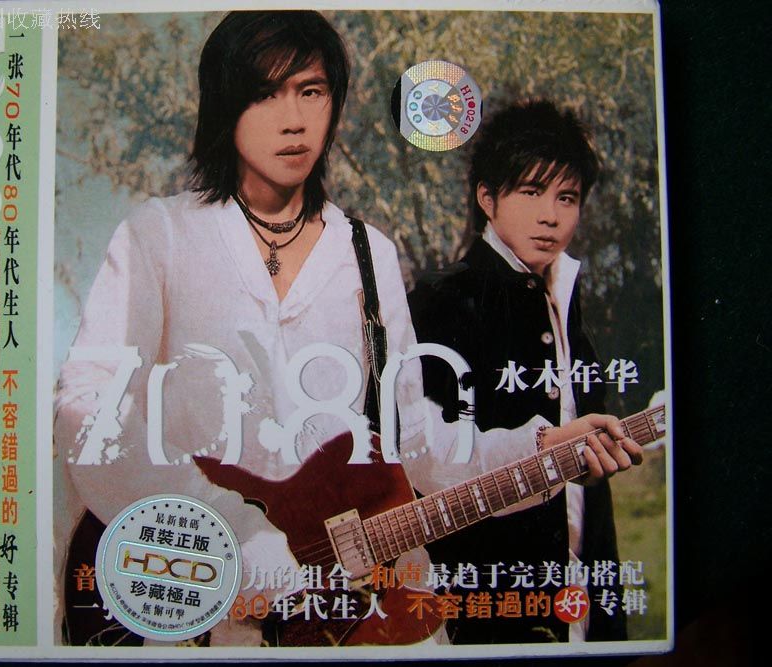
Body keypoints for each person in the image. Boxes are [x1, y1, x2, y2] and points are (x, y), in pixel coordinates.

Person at [54, 13, 639, 647]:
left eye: (311, 91)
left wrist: (543, 449)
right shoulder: (160, 235)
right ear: (226, 104)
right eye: (265, 93)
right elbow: (87, 409)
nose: (294, 120)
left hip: (337, 613)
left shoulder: (367, 252)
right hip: (194, 597)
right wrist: (230, 533)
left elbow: (417, 443)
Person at [406, 99, 641, 643]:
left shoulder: (566, 296)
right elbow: (424, 460)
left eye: (567, 197)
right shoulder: (441, 300)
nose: (551, 216)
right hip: (489, 604)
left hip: (582, 585)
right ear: (487, 198)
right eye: (531, 192)